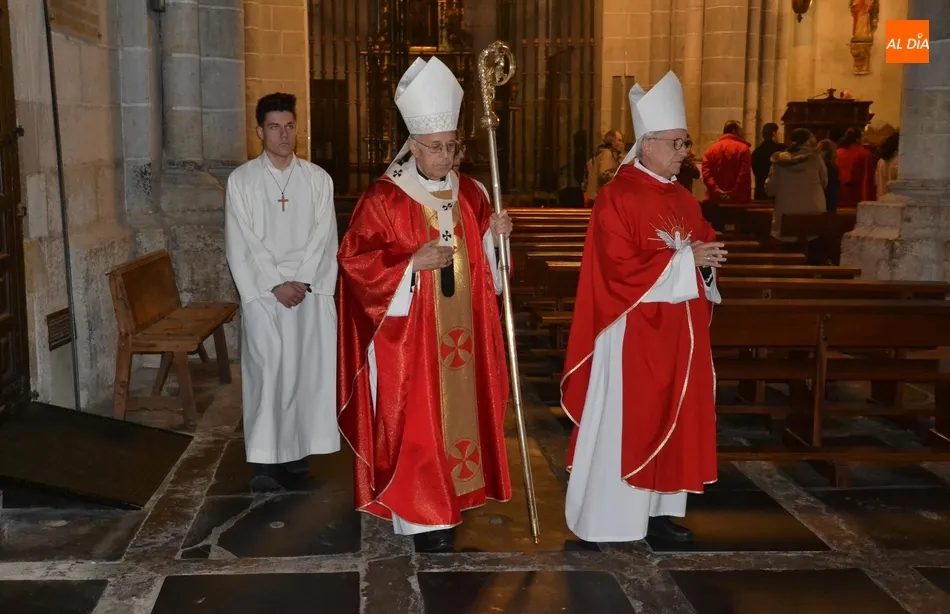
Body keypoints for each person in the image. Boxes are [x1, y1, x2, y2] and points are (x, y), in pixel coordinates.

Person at [337, 57, 514, 553]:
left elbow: (486, 274)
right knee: (417, 422)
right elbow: (353, 261)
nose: (445, 156)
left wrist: (494, 240)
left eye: (451, 147)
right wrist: (408, 264)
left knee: (461, 416)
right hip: (409, 339)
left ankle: (453, 502)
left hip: (464, 333)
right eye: (435, 148)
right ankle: (420, 516)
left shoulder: (474, 194)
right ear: (413, 146)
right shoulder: (385, 200)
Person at [561, 71, 726, 544]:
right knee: (631, 419)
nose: (684, 152)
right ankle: (613, 516)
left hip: (679, 331)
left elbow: (700, 244)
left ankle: (658, 513)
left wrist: (707, 260)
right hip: (633, 330)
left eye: (685, 142)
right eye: (677, 143)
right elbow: (616, 268)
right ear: (648, 143)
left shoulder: (682, 197)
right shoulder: (617, 195)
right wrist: (683, 261)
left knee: (673, 417)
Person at [224, 92, 340, 491]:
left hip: (307, 294)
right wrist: (275, 283)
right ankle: (264, 460)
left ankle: (297, 452)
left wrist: (304, 280)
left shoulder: (317, 179)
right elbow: (243, 241)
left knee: (305, 373)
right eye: (274, 127)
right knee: (268, 373)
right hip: (265, 296)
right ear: (260, 131)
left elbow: (325, 236)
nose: (283, 134)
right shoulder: (242, 181)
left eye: (289, 126)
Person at [765, 128, 828, 253]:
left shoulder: (778, 162)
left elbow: (769, 190)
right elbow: (824, 183)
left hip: (785, 216)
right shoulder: (815, 159)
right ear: (807, 141)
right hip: (813, 215)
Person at [701, 120, 752, 204]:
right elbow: (743, 174)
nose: (742, 133)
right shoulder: (743, 149)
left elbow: (706, 174)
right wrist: (732, 192)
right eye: (740, 130)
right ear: (734, 131)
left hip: (715, 199)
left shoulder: (711, 150)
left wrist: (717, 190)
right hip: (738, 200)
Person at [583, 129, 625, 206]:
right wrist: (621, 177)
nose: (622, 143)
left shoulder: (611, 154)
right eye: (619, 140)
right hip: (599, 197)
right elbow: (604, 175)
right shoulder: (607, 154)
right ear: (612, 142)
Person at [836, 126, 875, 207]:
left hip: (838, 195)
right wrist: (867, 201)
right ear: (858, 139)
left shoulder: (837, 152)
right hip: (857, 196)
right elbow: (867, 179)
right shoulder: (864, 154)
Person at [751, 122, 785, 200]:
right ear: (774, 133)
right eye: (778, 133)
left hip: (760, 191)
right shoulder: (781, 149)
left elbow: (755, 170)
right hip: (776, 192)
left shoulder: (757, 151)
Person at [817, 139, 840, 213]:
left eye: (819, 150)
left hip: (825, 202)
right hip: (830, 203)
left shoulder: (827, 168)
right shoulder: (834, 167)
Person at [875, 131, 900, 197]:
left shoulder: (881, 161)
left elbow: (876, 181)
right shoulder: (899, 161)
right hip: (895, 199)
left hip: (881, 197)